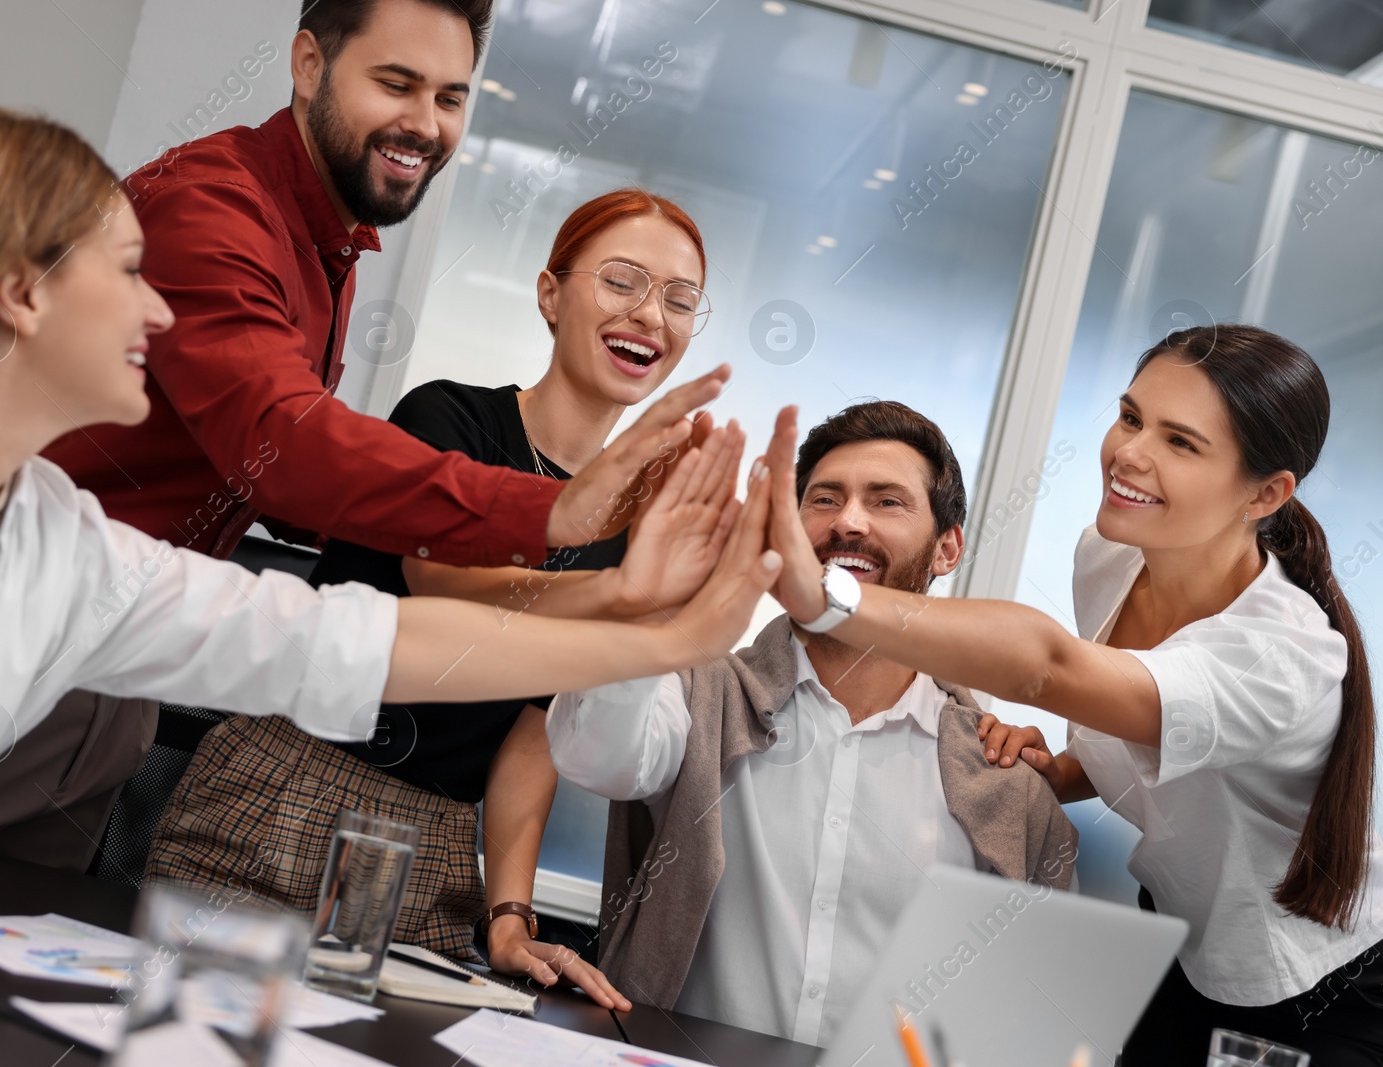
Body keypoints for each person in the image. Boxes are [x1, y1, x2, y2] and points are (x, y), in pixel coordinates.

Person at [0, 108, 781, 952]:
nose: (161, 310)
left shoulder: (58, 539)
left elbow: (329, 637)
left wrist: (663, 635)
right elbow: (414, 590)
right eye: (132, 270)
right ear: (18, 290)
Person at [0, 0, 731, 868]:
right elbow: (285, 451)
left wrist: (645, 604)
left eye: (452, 97)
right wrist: (560, 516)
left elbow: (290, 517)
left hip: (118, 650)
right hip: (11, 640)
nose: (426, 122)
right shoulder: (216, 206)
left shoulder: (329, 241)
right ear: (309, 65)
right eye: (396, 83)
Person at [146, 189, 729, 1010]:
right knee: (191, 1038)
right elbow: (444, 585)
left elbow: (533, 733)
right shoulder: (450, 417)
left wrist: (510, 913)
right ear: (551, 294)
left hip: (439, 844)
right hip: (288, 782)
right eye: (623, 281)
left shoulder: (634, 533)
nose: (650, 315)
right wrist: (618, 595)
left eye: (679, 299)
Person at [758, 327, 1383, 1064]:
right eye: (1130, 416)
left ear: (1266, 493)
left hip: (1316, 983)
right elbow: (1154, 727)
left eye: (1180, 443)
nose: (1130, 453)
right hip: (1181, 944)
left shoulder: (1283, 653)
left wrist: (827, 595)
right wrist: (1064, 771)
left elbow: (1050, 668)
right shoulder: (1113, 554)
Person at [546, 400, 1076, 1043]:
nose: (848, 522)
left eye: (887, 502)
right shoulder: (701, 693)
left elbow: (1042, 1017)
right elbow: (593, 754)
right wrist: (645, 605)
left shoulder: (1001, 777)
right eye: (825, 499)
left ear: (948, 547)